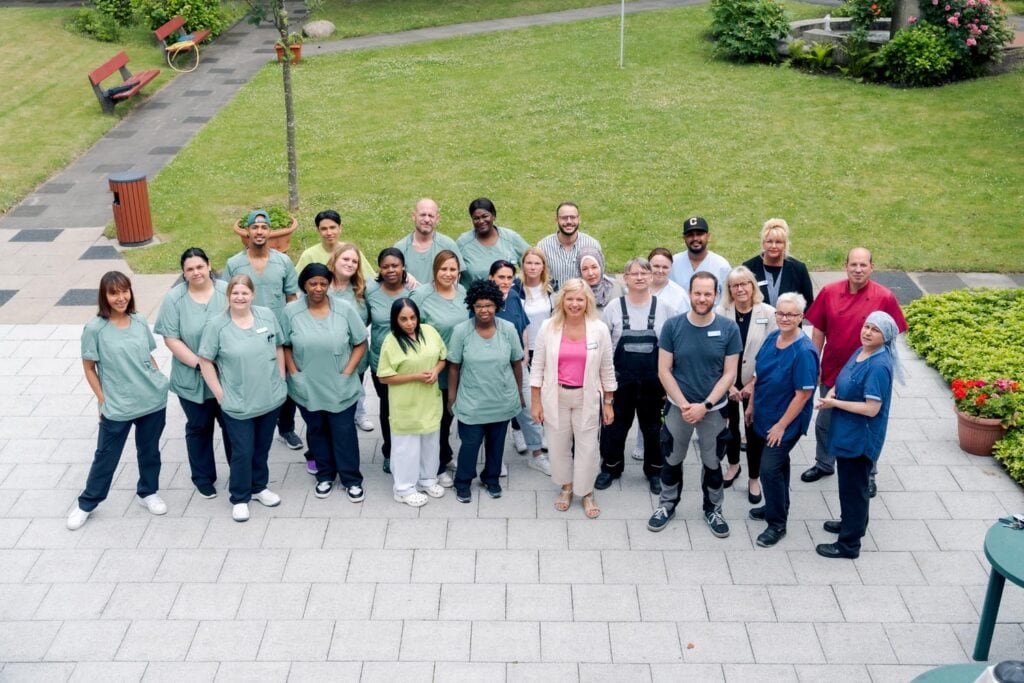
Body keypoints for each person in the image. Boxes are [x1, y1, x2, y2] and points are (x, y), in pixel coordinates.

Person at [801, 247, 907, 497]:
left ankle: (868, 474)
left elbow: (895, 331)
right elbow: (818, 330)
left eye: (863, 265)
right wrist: (814, 363)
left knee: (866, 428)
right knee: (825, 422)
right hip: (834, 370)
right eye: (853, 265)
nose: (858, 270)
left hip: (868, 374)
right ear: (845, 265)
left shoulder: (885, 297)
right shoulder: (829, 292)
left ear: (872, 267)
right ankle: (824, 463)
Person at [68, 272, 170, 530]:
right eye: (114, 293)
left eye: (124, 291)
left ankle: (148, 492)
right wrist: (103, 401)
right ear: (104, 296)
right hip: (118, 405)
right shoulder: (94, 329)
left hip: (151, 400)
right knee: (105, 456)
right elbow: (89, 368)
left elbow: (148, 356)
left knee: (149, 451)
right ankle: (87, 503)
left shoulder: (138, 321)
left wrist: (158, 379)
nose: (120, 297)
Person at [648, 272, 740, 537]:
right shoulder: (673, 327)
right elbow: (664, 370)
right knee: (672, 458)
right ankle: (666, 505)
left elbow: (729, 373)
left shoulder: (728, 329)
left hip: (713, 409)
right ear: (689, 293)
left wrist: (706, 405)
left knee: (713, 462)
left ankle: (713, 509)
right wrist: (685, 404)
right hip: (679, 408)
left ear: (717, 295)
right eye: (697, 293)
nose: (702, 298)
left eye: (707, 294)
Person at [199, 274, 288, 523]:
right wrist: (219, 393)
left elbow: (279, 346)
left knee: (261, 448)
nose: (240, 297)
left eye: (244, 293)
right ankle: (239, 497)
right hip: (238, 402)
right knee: (242, 451)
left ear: (252, 295)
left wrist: (280, 378)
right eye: (235, 293)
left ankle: (259, 487)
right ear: (228, 296)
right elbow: (205, 361)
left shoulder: (266, 316)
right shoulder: (217, 325)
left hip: (269, 396)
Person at [814, 311, 902, 559]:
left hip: (860, 438)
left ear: (885, 337)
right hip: (847, 431)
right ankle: (850, 524)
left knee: (855, 489)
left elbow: (871, 409)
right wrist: (832, 392)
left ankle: (849, 545)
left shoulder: (878, 365)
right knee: (850, 487)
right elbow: (844, 380)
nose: (867, 332)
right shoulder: (862, 351)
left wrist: (835, 405)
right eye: (866, 326)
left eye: (875, 330)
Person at [530, 279, 617, 520]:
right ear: (562, 301)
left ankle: (586, 491)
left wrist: (608, 402)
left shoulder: (598, 329)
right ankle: (567, 487)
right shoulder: (549, 327)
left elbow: (607, 368)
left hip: (586, 397)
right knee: (558, 446)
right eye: (570, 299)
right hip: (555, 395)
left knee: (588, 447)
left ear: (587, 301)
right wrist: (535, 402)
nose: (575, 304)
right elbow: (537, 367)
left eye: (580, 299)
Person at [282, 264, 368, 503]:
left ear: (329, 284)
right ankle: (325, 475)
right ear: (304, 285)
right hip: (307, 384)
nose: (318, 288)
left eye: (323, 283)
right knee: (317, 431)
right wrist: (294, 373)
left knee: (344, 432)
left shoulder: (344, 309)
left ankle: (352, 479)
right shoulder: (290, 312)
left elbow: (360, 342)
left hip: (340, 383)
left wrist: (348, 371)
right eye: (312, 283)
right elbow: (285, 344)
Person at [224, 210, 302, 452]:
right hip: (244, 332)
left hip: (277, 332)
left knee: (284, 377)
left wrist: (291, 329)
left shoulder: (283, 262)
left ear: (270, 232)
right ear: (247, 231)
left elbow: (291, 297)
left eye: (263, 227)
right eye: (254, 227)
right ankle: (252, 420)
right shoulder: (234, 264)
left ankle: (286, 428)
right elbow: (226, 298)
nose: (259, 231)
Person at [154, 248, 230, 499]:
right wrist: (201, 365)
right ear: (184, 273)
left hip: (227, 376)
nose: (196, 272)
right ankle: (203, 477)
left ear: (209, 266)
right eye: (190, 269)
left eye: (200, 266)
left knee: (233, 428)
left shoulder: (227, 292)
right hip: (192, 377)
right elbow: (172, 339)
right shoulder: (174, 299)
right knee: (199, 427)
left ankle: (241, 475)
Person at [745, 293, 819, 548]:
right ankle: (777, 505)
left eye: (791, 314)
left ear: (801, 317)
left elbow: (803, 395)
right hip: (764, 412)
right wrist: (752, 404)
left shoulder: (804, 352)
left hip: (785, 422)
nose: (785, 318)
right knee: (778, 467)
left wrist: (781, 425)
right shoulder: (772, 338)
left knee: (769, 468)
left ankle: (777, 524)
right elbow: (758, 375)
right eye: (781, 313)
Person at [596, 257, 675, 494]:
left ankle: (654, 471)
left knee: (653, 429)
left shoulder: (665, 309)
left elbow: (671, 351)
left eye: (644, 272)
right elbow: (603, 348)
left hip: (654, 382)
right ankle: (610, 468)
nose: (640, 277)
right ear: (625, 279)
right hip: (620, 381)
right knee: (614, 427)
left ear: (651, 277)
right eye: (634, 273)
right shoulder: (613, 308)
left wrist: (668, 386)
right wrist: (604, 383)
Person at [448, 280, 526, 503]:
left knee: (496, 444)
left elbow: (516, 364)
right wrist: (452, 397)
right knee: (470, 444)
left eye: (489, 305)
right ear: (472, 306)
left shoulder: (508, 330)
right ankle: (463, 481)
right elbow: (454, 367)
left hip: (502, 399)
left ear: (497, 306)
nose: (484, 310)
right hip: (472, 401)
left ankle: (491, 479)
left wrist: (519, 393)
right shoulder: (461, 331)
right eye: (479, 305)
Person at [376, 298, 447, 507]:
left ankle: (427, 479)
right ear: (395, 320)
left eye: (413, 318)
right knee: (406, 447)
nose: (409, 323)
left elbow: (443, 357)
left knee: (431, 442)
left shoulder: (430, 332)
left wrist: (435, 371)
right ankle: (404, 488)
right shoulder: (392, 341)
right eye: (403, 319)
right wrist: (415, 376)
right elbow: (383, 377)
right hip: (406, 402)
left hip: (429, 399)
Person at [716, 265, 778, 505]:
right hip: (728, 383)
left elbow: (773, 353)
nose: (740, 289)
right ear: (729, 290)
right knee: (729, 429)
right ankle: (733, 466)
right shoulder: (721, 313)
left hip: (757, 383)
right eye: (735, 285)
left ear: (752, 286)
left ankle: (754, 477)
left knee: (753, 431)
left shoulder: (769, 313)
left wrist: (754, 383)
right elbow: (716, 351)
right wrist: (728, 383)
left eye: (745, 284)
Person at [411, 250, 467, 486]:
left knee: (452, 415)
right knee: (439, 419)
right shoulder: (421, 296)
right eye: (443, 269)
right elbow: (412, 331)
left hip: (461, 368)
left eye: (453, 269)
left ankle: (445, 454)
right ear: (435, 270)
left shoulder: (462, 292)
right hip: (434, 369)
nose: (448, 274)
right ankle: (437, 465)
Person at [490, 260, 548, 474]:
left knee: (529, 410)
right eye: (500, 277)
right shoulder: (485, 301)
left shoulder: (514, 296)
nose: (505, 282)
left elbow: (523, 325)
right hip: (493, 369)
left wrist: (524, 353)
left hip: (517, 365)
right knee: (497, 415)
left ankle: (537, 455)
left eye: (508, 277)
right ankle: (495, 460)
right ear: (491, 278)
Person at [366, 248, 413, 474]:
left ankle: (411, 448)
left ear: (403, 266)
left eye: (395, 265)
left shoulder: (414, 292)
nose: (390, 270)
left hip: (409, 362)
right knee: (387, 409)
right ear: (380, 269)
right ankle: (389, 450)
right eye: (385, 266)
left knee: (408, 407)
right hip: (381, 363)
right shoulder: (371, 291)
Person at [513, 247, 555, 465]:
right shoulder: (515, 289)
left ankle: (542, 430)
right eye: (528, 263)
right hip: (523, 349)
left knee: (545, 391)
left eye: (537, 263)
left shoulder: (550, 287)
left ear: (543, 266)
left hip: (545, 346)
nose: (532, 267)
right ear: (523, 265)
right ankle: (519, 430)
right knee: (525, 394)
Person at [328, 243, 374, 433]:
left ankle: (359, 413)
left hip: (356, 352)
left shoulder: (363, 289)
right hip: (329, 353)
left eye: (354, 261)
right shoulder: (323, 286)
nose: (350, 264)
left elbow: (370, 316)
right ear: (335, 260)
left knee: (355, 386)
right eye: (345, 259)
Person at [742, 218, 815, 309]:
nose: (773, 246)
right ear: (763, 243)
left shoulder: (798, 269)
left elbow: (809, 304)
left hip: (789, 322)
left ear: (785, 244)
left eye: (778, 242)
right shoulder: (749, 268)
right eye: (769, 242)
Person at [457, 197, 529, 286]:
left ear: (493, 216)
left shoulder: (510, 238)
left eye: (485, 216)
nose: (481, 221)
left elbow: (532, 262)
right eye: (476, 218)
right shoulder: (463, 243)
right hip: (474, 298)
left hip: (506, 296)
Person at [394, 198, 462, 287]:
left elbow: (457, 276)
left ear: (437, 219)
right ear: (414, 216)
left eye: (431, 216)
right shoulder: (400, 248)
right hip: (408, 299)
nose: (427, 219)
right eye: (422, 215)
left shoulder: (448, 245)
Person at [535, 202, 603, 290]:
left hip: (582, 300)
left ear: (579, 219)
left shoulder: (592, 245)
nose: (569, 221)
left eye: (573, 217)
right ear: (556, 220)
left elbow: (598, 278)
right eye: (564, 218)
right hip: (553, 300)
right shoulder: (543, 247)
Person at [295, 209, 375, 282]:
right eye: (324, 229)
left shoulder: (351, 252)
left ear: (340, 228)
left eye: (332, 228)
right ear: (318, 230)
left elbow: (371, 279)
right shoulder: (309, 255)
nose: (329, 233)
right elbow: (295, 281)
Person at [669, 216, 731, 301]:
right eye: (690, 235)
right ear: (684, 238)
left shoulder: (721, 265)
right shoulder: (673, 262)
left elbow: (728, 300)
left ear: (708, 236)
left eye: (699, 234)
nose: (695, 238)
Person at [648, 247, 690, 315]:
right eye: (656, 266)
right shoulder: (636, 288)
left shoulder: (680, 296)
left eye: (665, 267)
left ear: (671, 268)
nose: (660, 271)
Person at [578, 247, 621, 312]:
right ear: (580, 272)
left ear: (601, 266)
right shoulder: (575, 292)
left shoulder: (615, 288)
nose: (590, 273)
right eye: (585, 269)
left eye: (594, 267)